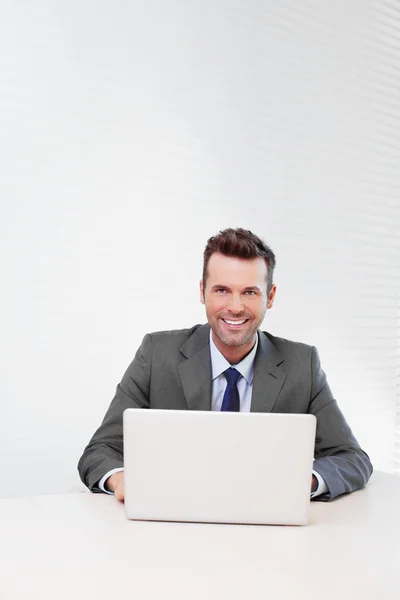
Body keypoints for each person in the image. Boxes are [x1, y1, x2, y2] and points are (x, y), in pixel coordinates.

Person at [78, 228, 373, 502]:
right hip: (174, 525)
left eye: (250, 292)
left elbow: (351, 457)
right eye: (221, 290)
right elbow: (101, 450)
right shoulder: (157, 355)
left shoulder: (301, 365)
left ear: (269, 297)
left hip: (265, 530)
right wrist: (122, 481)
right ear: (202, 291)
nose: (235, 306)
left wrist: (301, 482)